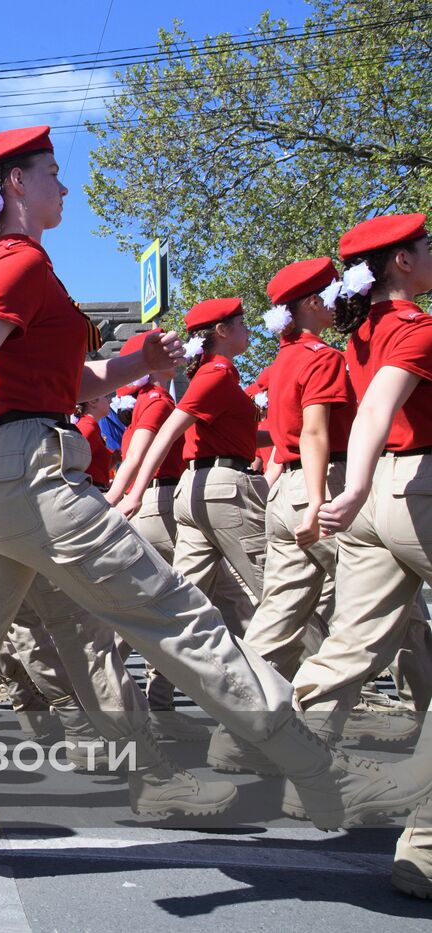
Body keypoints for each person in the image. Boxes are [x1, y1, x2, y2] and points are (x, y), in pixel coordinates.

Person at [0, 126, 432, 878]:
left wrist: (133, 364)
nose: (65, 185)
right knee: (178, 615)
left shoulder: (20, 266)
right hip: (24, 472)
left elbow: (64, 385)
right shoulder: (15, 263)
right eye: (52, 172)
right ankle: (318, 768)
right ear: (14, 184)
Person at [309, 213, 432, 899]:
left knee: (350, 644)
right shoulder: (413, 326)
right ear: (402, 264)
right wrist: (350, 484)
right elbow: (382, 405)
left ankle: (296, 760)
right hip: (416, 487)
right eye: (427, 246)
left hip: (384, 492)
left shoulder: (362, 334)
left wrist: (359, 487)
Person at [118, 298, 266, 634]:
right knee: (275, 594)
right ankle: (306, 684)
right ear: (221, 331)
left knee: (187, 605)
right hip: (217, 490)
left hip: (196, 489)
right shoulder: (213, 374)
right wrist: (131, 495)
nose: (248, 330)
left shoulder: (219, 375)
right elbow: (166, 435)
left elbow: (233, 438)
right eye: (242, 323)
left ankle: (159, 688)